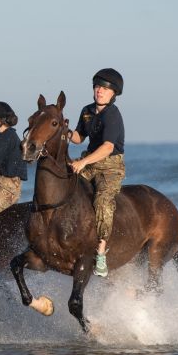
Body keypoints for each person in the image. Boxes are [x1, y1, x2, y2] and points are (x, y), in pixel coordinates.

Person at [69, 69, 125, 277]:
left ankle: (101, 252)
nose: (100, 91)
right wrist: (63, 130)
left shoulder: (113, 114)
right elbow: (78, 138)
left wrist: (82, 162)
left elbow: (108, 147)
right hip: (90, 160)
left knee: (102, 201)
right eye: (97, 87)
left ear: (113, 94)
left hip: (110, 165)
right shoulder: (87, 110)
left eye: (105, 88)